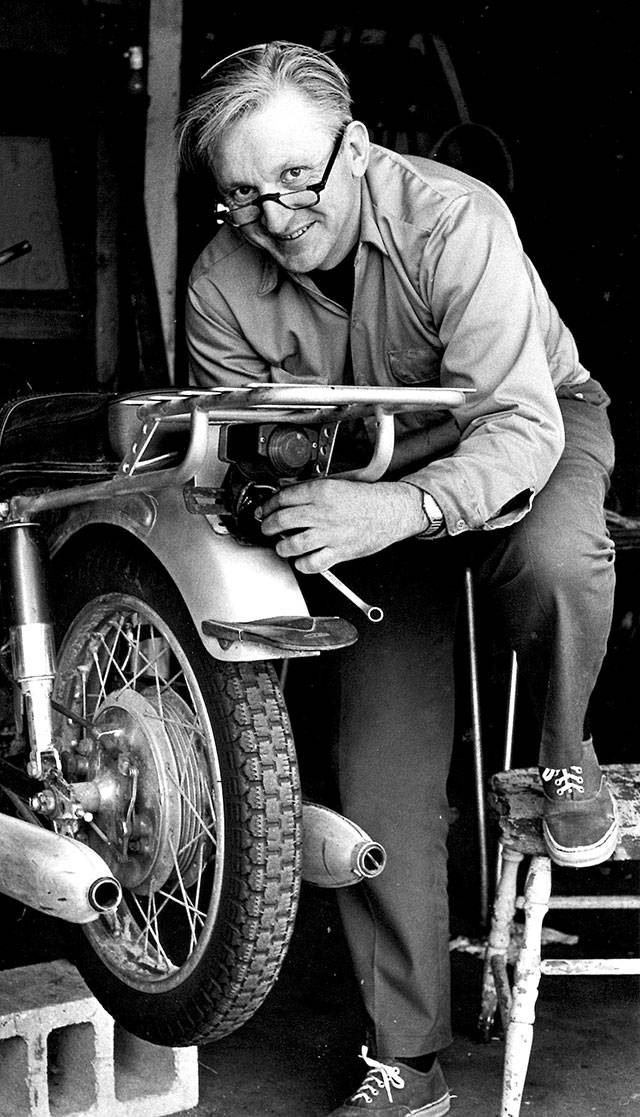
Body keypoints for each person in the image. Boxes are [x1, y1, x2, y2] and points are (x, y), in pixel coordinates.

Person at [177, 40, 618, 1117]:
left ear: (355, 146)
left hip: (529, 429)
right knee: (376, 763)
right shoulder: (218, 283)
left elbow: (518, 422)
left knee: (557, 561)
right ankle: (406, 1061)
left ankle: (566, 759)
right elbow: (241, 446)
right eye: (243, 196)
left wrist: (406, 503)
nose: (276, 216)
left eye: (295, 178)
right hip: (361, 487)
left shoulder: (452, 220)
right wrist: (281, 483)